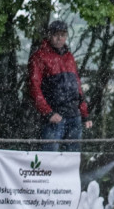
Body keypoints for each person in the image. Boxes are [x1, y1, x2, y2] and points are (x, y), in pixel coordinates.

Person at [28, 20, 92, 151]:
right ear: (49, 35)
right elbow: (34, 87)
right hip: (54, 116)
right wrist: (48, 113)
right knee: (49, 160)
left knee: (72, 160)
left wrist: (85, 114)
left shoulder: (69, 57)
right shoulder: (39, 57)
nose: (60, 38)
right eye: (56, 34)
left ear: (66, 36)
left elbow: (77, 87)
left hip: (74, 115)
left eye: (63, 35)